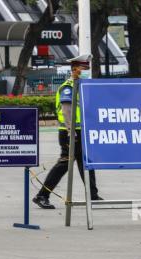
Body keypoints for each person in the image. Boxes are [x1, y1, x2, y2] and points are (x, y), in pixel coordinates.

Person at [33, 54, 103, 209]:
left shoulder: (83, 86)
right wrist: (72, 133)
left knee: (87, 163)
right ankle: (42, 195)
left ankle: (92, 194)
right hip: (70, 132)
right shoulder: (68, 87)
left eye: (87, 68)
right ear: (74, 69)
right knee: (64, 164)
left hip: (81, 131)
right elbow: (67, 111)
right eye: (84, 68)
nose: (86, 71)